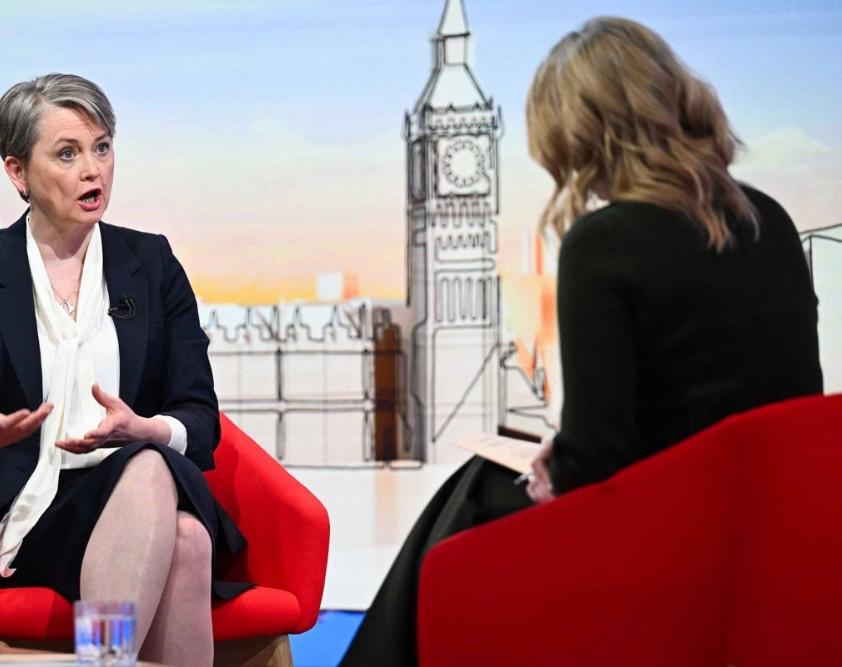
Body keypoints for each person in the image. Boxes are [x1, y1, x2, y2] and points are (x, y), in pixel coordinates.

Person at [339, 16, 823, 667]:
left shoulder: (606, 241)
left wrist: (553, 470)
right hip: (767, 528)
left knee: (479, 486)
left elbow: (596, 456)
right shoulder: (768, 217)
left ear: (587, 134)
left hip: (663, 533)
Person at [0, 74, 247, 667]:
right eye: (68, 153)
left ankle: (102, 661)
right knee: (183, 542)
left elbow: (199, 419)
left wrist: (147, 429)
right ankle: (104, 661)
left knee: (155, 477)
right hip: (34, 521)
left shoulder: (151, 264)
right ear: (17, 172)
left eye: (102, 147)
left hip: (143, 489)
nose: (93, 170)